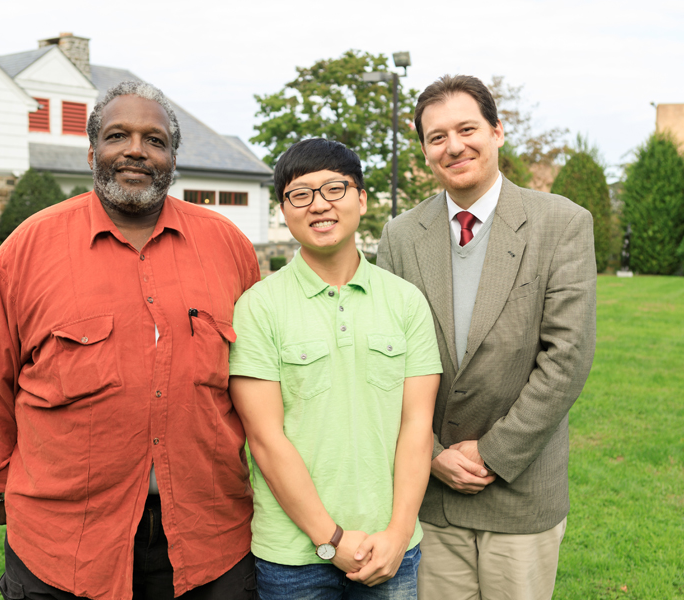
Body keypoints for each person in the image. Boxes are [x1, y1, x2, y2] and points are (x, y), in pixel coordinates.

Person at [0, 81, 260, 600]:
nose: (137, 150)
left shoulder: (227, 246)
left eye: (155, 140)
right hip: (64, 541)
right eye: (119, 135)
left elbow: (260, 379)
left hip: (210, 536)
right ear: (93, 151)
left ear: (173, 158)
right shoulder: (27, 249)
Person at [377, 74, 597, 600]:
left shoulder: (562, 223)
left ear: (497, 131)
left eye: (467, 128)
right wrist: (429, 452)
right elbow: (381, 359)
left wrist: (493, 454)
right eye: (436, 137)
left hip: (521, 493)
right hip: (429, 497)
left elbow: (566, 358)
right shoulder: (400, 236)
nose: (454, 146)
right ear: (426, 150)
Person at [229, 138, 441, 599]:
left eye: (334, 189)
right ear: (283, 210)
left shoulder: (406, 302)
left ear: (361, 199)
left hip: (393, 549)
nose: (319, 205)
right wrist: (332, 540)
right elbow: (265, 439)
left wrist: (398, 533)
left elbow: (417, 425)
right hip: (293, 558)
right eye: (300, 194)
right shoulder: (257, 308)